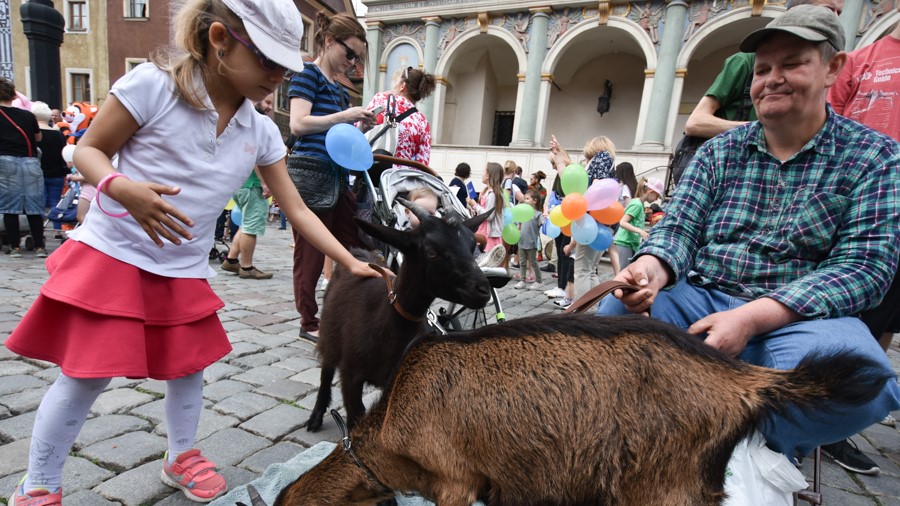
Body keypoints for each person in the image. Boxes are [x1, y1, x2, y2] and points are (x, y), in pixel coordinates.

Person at [4, 1, 380, 504]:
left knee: (188, 368)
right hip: (115, 255)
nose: (279, 76)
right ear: (220, 39)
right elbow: (90, 149)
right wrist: (122, 188)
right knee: (85, 376)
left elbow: (297, 209)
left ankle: (180, 454)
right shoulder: (152, 87)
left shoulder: (262, 130)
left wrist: (352, 261)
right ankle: (40, 484)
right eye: (268, 60)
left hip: (181, 269)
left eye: (285, 65)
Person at [599, 6, 900, 485]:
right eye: (762, 70)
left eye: (792, 64)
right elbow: (679, 227)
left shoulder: (875, 157)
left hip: (800, 321)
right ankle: (715, 444)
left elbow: (865, 267)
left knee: (867, 383)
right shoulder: (719, 151)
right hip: (698, 297)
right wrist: (652, 268)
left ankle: (720, 444)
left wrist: (753, 316)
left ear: (834, 68)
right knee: (610, 327)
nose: (771, 80)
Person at [828, 17, 900, 432]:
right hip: (857, 197)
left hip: (881, 200)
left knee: (888, 314)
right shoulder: (865, 59)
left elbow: (865, 272)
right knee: (869, 311)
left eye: (839, 10)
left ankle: (837, 425)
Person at [288, 11, 376, 343]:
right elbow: (298, 123)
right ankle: (308, 321)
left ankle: (347, 308)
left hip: (337, 175)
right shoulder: (306, 74)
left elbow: (334, 133)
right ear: (328, 41)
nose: (353, 62)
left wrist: (358, 127)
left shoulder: (339, 89)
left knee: (356, 243)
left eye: (358, 58)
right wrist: (345, 115)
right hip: (311, 173)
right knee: (310, 255)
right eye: (349, 53)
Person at [684, 0, 843, 140]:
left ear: (833, 68)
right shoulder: (744, 61)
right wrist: (766, 129)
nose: (836, 18)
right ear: (796, 11)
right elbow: (695, 122)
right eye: (827, 10)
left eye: (839, 12)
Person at [549, 134, 619, 299]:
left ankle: (582, 312)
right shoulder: (603, 160)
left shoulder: (602, 157)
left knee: (582, 270)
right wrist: (559, 156)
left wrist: (584, 206)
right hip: (597, 223)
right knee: (590, 270)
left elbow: (596, 186)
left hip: (593, 223)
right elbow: (568, 179)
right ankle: (593, 309)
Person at [221, 93, 276, 280]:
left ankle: (232, 260)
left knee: (245, 224)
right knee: (251, 226)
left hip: (240, 183)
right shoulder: (255, 124)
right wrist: (264, 182)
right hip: (252, 184)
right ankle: (247, 267)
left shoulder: (239, 119)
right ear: (256, 99)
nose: (270, 107)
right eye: (268, 101)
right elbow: (255, 156)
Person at [0, 77, 45, 258]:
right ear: (13, 95)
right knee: (34, 206)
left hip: (6, 160)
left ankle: (14, 247)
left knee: (11, 206)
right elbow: (38, 138)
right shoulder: (28, 115)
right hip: (30, 161)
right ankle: (40, 247)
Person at [365, 65, 436, 168]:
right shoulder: (423, 123)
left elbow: (359, 127)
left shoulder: (381, 100)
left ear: (403, 86)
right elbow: (422, 164)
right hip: (398, 180)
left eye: (396, 82)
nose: (393, 87)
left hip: (369, 172)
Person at [32, 102, 69, 238]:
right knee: (56, 202)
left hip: (38, 173)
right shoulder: (58, 134)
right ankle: (57, 229)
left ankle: (39, 231)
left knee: (39, 203)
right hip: (57, 173)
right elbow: (63, 154)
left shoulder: (33, 135)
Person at [613, 177, 662, 271]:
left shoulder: (640, 204)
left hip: (629, 243)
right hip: (624, 242)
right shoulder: (637, 204)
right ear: (650, 192)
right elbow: (623, 222)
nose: (656, 199)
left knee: (626, 272)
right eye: (657, 196)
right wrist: (640, 231)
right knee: (623, 272)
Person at [468, 162, 506, 266]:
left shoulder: (493, 194)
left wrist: (475, 205)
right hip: (483, 231)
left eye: (484, 171)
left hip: (490, 235)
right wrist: (473, 208)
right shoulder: (486, 192)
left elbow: (489, 216)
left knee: (488, 263)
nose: (482, 173)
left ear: (489, 175)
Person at [514, 189, 543, 290]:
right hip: (522, 241)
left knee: (533, 262)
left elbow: (542, 225)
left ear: (534, 201)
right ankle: (522, 280)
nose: (525, 200)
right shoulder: (523, 213)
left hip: (531, 242)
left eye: (527, 199)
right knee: (522, 262)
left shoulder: (538, 214)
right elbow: (520, 225)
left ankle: (539, 280)